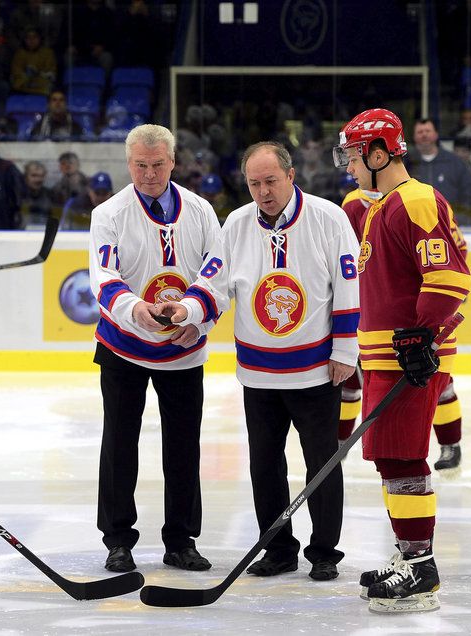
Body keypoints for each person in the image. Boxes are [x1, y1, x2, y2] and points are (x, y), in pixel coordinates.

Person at [158, 141, 360, 581]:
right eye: (254, 183)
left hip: (316, 371)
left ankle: (324, 551)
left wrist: (346, 352)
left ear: (291, 176)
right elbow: (212, 284)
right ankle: (278, 548)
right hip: (259, 373)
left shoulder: (329, 218)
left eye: (271, 181)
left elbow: (347, 287)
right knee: (264, 465)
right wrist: (191, 314)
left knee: (321, 463)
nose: (263, 191)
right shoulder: (236, 224)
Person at [333, 108, 471, 612]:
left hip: (404, 356)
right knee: (391, 457)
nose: (348, 164)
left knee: (407, 457)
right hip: (384, 356)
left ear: (377, 153)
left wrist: (419, 337)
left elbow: (449, 278)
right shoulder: (377, 205)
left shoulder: (414, 200)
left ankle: (421, 567)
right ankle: (408, 555)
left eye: (353, 154)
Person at [89, 124, 221, 574]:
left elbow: (216, 275)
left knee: (183, 447)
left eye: (158, 165)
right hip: (122, 347)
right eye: (141, 166)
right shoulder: (109, 214)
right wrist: (135, 310)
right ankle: (118, 540)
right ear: (129, 164)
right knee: (119, 444)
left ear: (173, 161)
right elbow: (104, 278)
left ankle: (181, 540)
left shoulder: (202, 211)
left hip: (184, 349)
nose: (149, 174)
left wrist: (197, 316)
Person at [339, 185, 470, 471]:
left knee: (439, 383)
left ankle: (451, 443)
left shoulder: (418, 200)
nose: (351, 169)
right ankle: (339, 445)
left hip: (417, 322)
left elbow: (456, 249)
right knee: (349, 383)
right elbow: (347, 260)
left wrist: (441, 299)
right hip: (370, 315)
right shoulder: (351, 205)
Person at [408, 118, 471, 223]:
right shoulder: (406, 163)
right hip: (416, 227)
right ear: (414, 137)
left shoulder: (454, 162)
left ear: (436, 134)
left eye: (428, 131)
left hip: (450, 226)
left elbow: (467, 195)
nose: (424, 135)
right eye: (420, 132)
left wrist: (459, 220)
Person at [9, 27, 56, 96]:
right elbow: (16, 72)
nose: (31, 40)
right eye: (28, 38)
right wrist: (27, 76)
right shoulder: (19, 54)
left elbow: (50, 73)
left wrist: (36, 73)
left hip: (42, 86)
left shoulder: (48, 53)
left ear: (40, 39)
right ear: (24, 40)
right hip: (23, 86)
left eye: (35, 37)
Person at [19, 160, 55, 228]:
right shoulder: (17, 195)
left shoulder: (50, 194)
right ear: (26, 177)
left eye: (41, 176)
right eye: (34, 175)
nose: (38, 179)